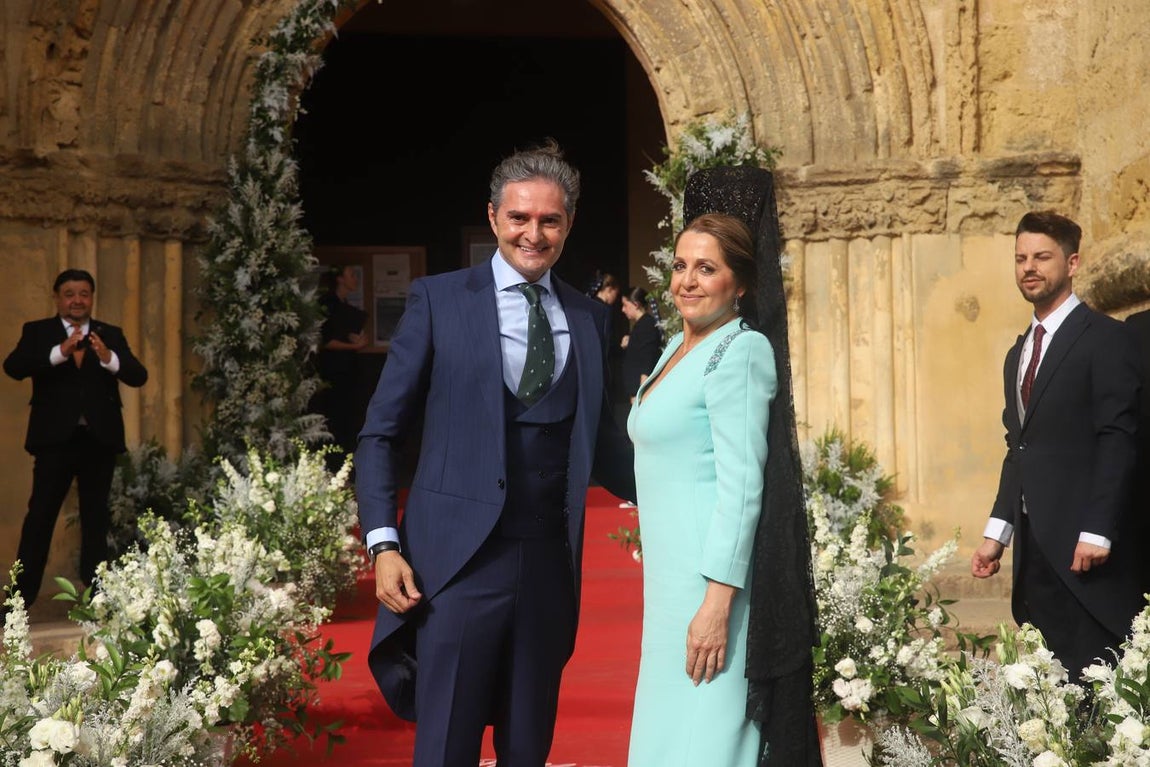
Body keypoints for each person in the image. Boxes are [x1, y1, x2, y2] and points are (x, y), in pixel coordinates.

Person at [355, 138, 636, 767]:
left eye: (549, 220)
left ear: (568, 224)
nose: (532, 234)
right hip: (451, 570)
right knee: (446, 747)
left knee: (528, 748)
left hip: (547, 569)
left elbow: (608, 450)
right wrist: (384, 543)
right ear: (493, 218)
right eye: (519, 218)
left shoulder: (591, 319)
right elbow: (380, 433)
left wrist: (697, 492)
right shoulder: (439, 301)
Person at [626, 212, 782, 766]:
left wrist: (716, 605)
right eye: (680, 266)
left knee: (705, 744)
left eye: (707, 269)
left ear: (739, 283)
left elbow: (743, 488)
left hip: (708, 586)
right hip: (668, 586)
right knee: (667, 739)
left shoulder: (740, 351)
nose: (687, 281)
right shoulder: (675, 347)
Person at [971, 210, 1143, 680]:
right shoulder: (1017, 353)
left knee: (1098, 687)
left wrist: (1098, 530)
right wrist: (996, 534)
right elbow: (1018, 448)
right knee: (1049, 695)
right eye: (1021, 258)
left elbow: (1117, 438)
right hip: (1035, 556)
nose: (1029, 267)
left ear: (1072, 263)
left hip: (1089, 554)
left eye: (1042, 257)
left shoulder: (1107, 339)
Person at [3, 268, 148, 610]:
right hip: (55, 442)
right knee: (39, 518)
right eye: (70, 293)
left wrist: (107, 358)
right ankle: (17, 602)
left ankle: (98, 600)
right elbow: (14, 366)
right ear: (57, 298)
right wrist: (59, 351)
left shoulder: (109, 334)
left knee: (96, 519)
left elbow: (138, 375)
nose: (77, 300)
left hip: (98, 441)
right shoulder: (38, 332)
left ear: (91, 298)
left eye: (83, 293)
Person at [314, 264, 368, 466]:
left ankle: (345, 465)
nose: (356, 278)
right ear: (339, 279)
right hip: (334, 371)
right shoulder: (328, 304)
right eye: (351, 275)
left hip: (348, 370)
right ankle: (333, 465)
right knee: (336, 420)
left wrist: (356, 340)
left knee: (348, 419)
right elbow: (326, 340)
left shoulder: (344, 304)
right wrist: (353, 346)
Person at [620, 286, 663, 405]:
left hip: (640, 392)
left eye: (625, 305)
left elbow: (647, 361)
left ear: (636, 304)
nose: (623, 309)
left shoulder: (647, 325)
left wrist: (642, 394)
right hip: (635, 391)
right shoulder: (641, 325)